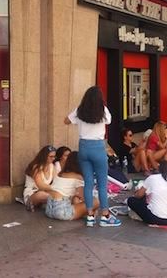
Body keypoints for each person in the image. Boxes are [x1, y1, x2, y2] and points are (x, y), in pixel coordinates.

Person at [64, 86, 121, 227]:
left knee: (88, 183)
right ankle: (105, 215)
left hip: (83, 147)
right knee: (102, 184)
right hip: (98, 148)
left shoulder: (80, 110)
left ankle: (89, 215)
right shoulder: (103, 110)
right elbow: (109, 121)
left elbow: (66, 120)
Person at [45, 152, 99, 221]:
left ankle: (87, 214)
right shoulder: (78, 177)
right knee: (96, 201)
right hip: (62, 212)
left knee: (76, 198)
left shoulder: (60, 174)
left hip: (49, 209)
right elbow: (85, 198)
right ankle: (91, 215)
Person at [23, 145, 57, 211]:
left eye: (54, 156)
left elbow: (57, 180)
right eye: (51, 156)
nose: (53, 159)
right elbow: (40, 185)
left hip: (46, 191)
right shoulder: (35, 166)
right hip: (32, 193)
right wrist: (56, 188)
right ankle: (30, 202)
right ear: (44, 156)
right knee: (43, 195)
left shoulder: (52, 166)